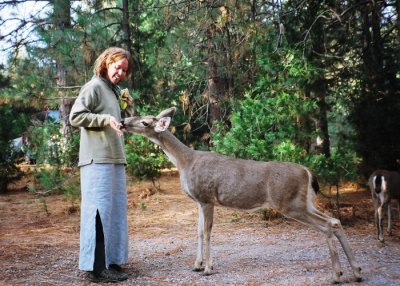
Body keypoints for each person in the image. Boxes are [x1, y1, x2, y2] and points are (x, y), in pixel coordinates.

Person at [69, 47, 134, 283]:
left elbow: (116, 122)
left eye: (125, 70)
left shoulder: (113, 91)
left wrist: (124, 106)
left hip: (114, 158)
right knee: (98, 212)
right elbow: (75, 116)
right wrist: (104, 119)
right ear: (107, 62)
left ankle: (110, 261)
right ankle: (96, 268)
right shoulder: (94, 86)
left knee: (113, 213)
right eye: (118, 67)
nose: (121, 73)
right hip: (97, 160)